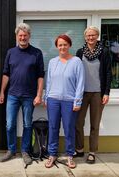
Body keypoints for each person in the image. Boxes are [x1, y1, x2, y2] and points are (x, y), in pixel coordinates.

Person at [0, 23, 44, 166]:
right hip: (12, 94)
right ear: (17, 36)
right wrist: (2, 92)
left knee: (27, 124)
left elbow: (40, 76)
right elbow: (6, 74)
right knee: (10, 124)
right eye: (20, 35)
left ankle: (25, 151)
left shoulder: (36, 53)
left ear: (29, 36)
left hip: (29, 95)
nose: (23, 37)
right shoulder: (11, 52)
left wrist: (39, 95)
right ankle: (11, 150)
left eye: (25, 35)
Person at [44, 34, 84, 169]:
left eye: (65, 44)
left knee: (69, 129)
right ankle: (52, 154)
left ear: (69, 45)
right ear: (57, 47)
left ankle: (70, 155)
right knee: (53, 127)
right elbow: (48, 81)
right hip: (53, 100)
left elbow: (80, 83)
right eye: (60, 45)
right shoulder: (52, 62)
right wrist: (46, 97)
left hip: (69, 100)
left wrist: (77, 101)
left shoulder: (77, 61)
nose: (62, 47)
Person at [75, 26, 111, 164]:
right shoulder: (80, 52)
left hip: (98, 93)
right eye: (88, 35)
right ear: (85, 37)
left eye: (93, 35)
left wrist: (106, 92)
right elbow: (76, 72)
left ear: (97, 36)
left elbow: (108, 73)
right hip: (82, 93)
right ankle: (79, 149)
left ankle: (92, 152)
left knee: (95, 124)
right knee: (78, 122)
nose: (91, 38)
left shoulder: (104, 52)